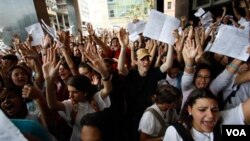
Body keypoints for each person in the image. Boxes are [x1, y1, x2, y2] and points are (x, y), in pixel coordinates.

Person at [42, 47, 112, 141]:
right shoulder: (71, 104)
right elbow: (52, 105)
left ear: (85, 92)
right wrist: (48, 80)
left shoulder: (94, 100)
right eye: (69, 92)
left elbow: (107, 89)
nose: (70, 96)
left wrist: (104, 73)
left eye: (75, 92)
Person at [163, 88, 250, 141]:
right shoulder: (176, 132)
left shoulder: (222, 124)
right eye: (202, 110)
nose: (211, 115)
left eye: (215, 110)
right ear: (189, 110)